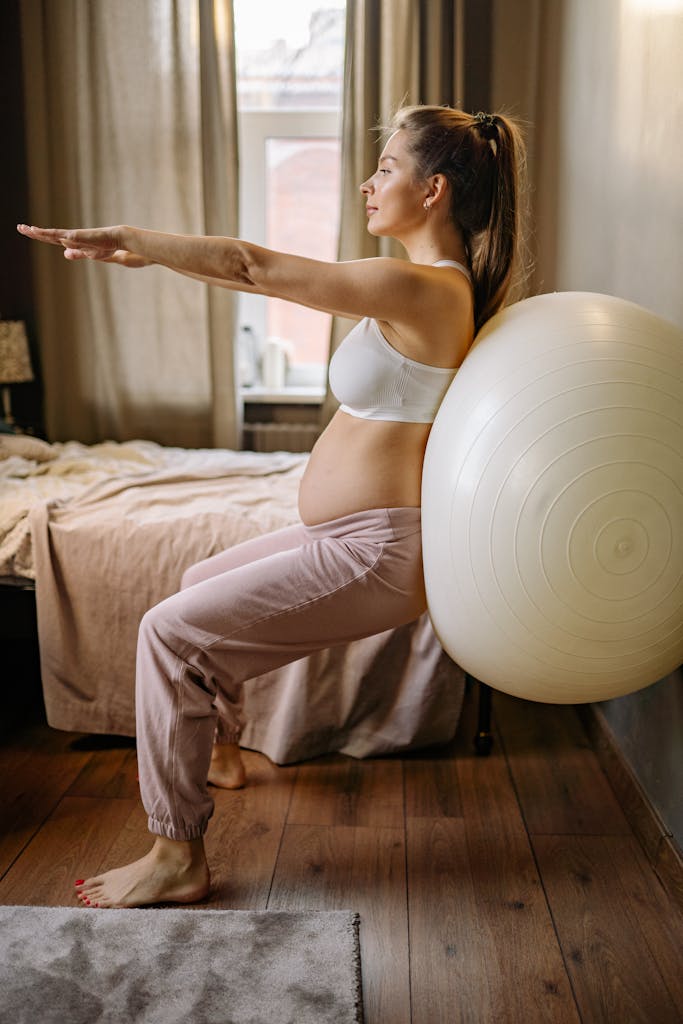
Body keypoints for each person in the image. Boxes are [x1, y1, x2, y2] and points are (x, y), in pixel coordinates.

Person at [18, 104, 525, 908]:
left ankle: (175, 851)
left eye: (386, 167)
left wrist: (137, 241)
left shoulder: (422, 287)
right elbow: (242, 270)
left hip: (376, 550)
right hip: (354, 535)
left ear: (432, 191)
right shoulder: (419, 289)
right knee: (193, 580)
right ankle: (217, 749)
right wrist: (159, 261)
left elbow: (253, 266)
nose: (368, 182)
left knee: (168, 633)